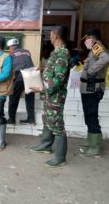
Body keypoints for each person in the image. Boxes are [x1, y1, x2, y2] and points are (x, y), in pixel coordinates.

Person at [30, 25, 71, 167]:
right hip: (49, 96)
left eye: (51, 33)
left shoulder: (63, 53)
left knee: (57, 125)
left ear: (57, 35)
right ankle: (46, 145)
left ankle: (60, 158)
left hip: (56, 97)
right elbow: (54, 70)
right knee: (48, 119)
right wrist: (42, 68)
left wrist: (42, 88)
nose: (50, 36)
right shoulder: (56, 52)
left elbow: (58, 79)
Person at [80, 29, 109, 158]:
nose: (85, 41)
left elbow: (106, 58)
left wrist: (91, 71)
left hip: (92, 89)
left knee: (91, 116)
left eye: (87, 38)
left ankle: (95, 147)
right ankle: (91, 140)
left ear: (93, 38)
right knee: (89, 115)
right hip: (88, 88)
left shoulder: (97, 47)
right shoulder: (93, 50)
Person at [6, 38, 35, 125]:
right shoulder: (27, 51)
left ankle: (11, 119)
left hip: (20, 76)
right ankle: (31, 119)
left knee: (13, 98)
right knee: (29, 98)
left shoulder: (11, 54)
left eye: (9, 47)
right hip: (31, 76)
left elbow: (11, 68)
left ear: (11, 47)